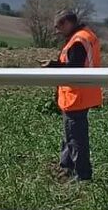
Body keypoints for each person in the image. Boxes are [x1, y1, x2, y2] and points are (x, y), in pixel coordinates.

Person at [43, 9, 101, 181]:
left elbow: (74, 69)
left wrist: (53, 65)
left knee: (76, 138)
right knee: (70, 135)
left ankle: (82, 175)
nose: (57, 31)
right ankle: (66, 166)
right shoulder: (86, 35)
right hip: (81, 94)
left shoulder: (78, 41)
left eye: (58, 27)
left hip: (76, 95)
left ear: (67, 23)